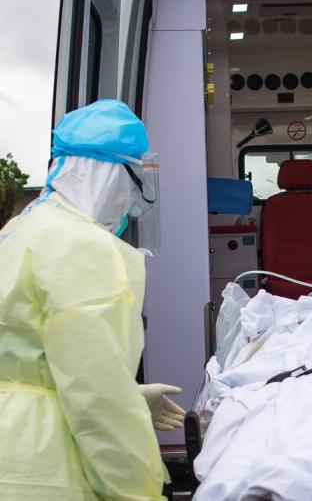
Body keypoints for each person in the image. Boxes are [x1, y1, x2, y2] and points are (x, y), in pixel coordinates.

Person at [0, 99, 184, 500]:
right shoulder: (85, 247)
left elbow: (28, 361)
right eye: (132, 186)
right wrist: (139, 492)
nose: (132, 203)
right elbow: (97, 398)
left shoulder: (18, 232)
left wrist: (131, 396)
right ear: (112, 176)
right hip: (46, 468)